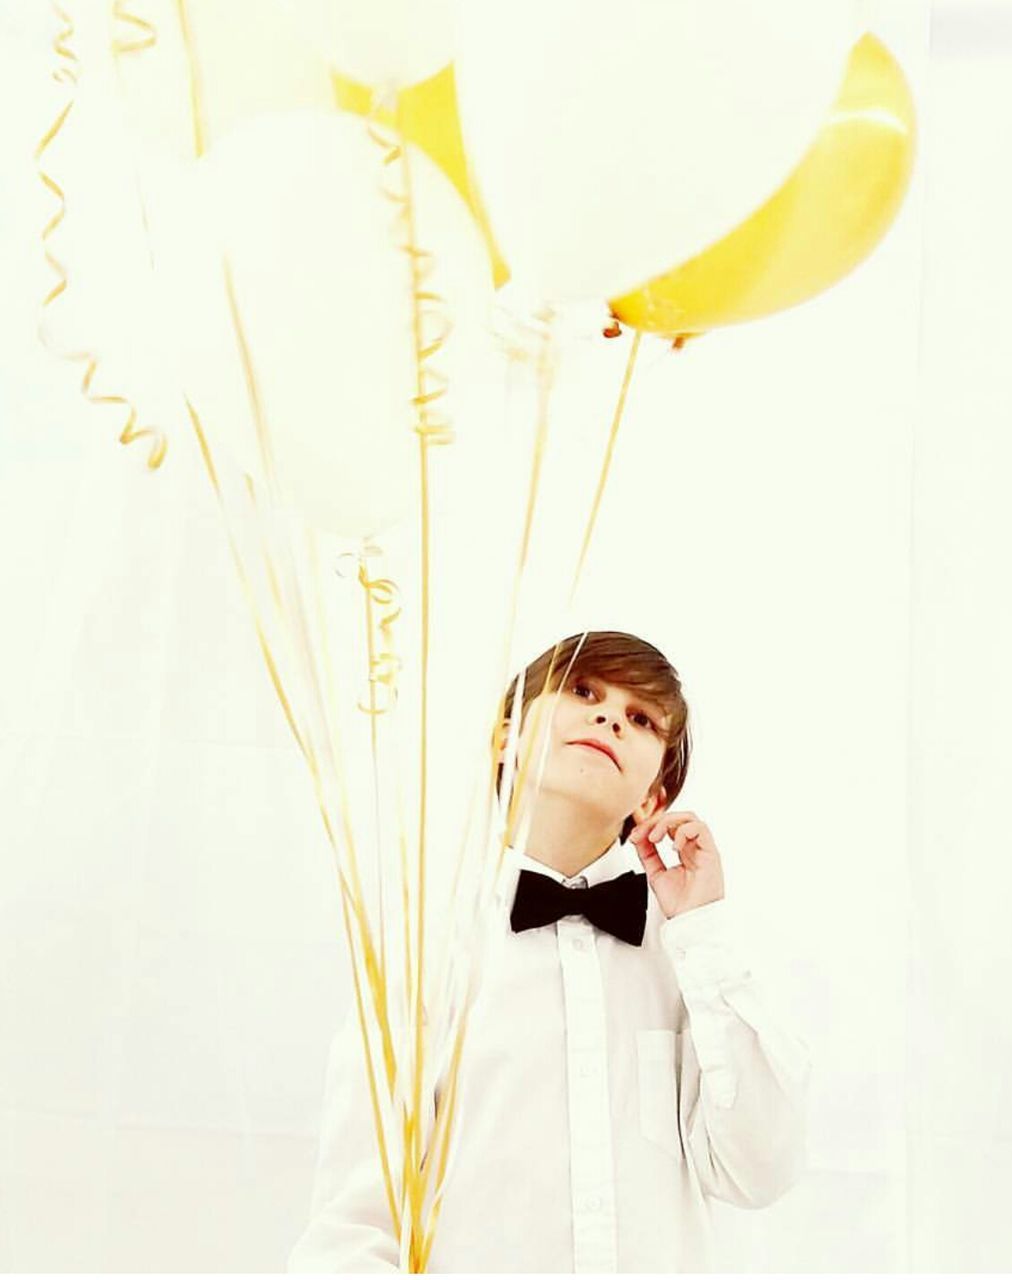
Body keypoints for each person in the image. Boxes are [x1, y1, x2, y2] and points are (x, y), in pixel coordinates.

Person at [287, 630, 813, 1273]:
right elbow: (355, 1220)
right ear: (507, 737)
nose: (609, 717)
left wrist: (703, 929)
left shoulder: (693, 959)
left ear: (653, 797)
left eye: (641, 719)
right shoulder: (426, 950)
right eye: (583, 690)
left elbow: (761, 1170)